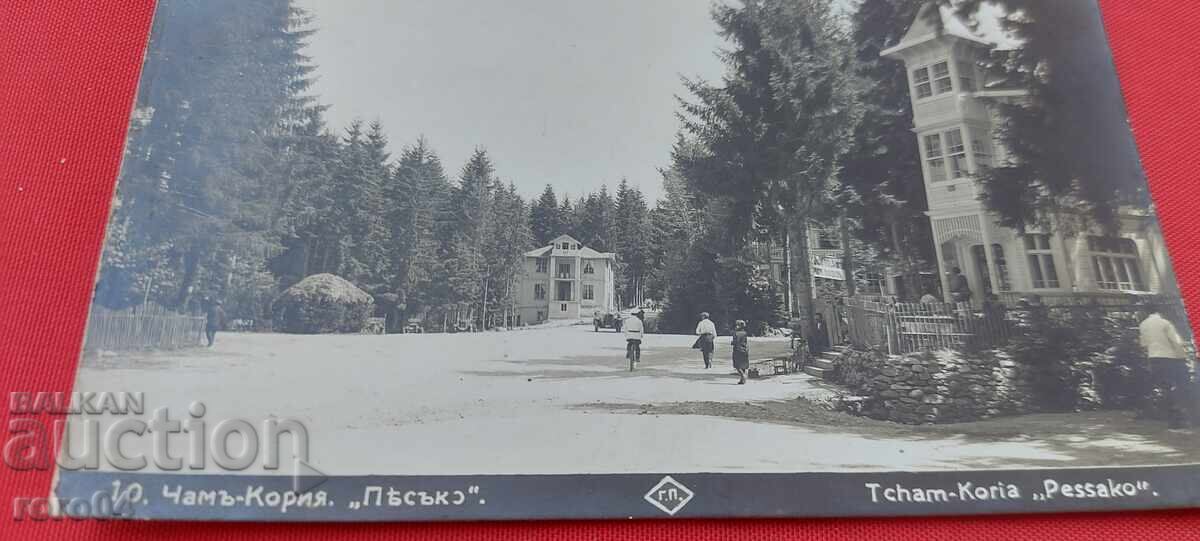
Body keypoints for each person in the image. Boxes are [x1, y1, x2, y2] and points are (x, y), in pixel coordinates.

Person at [1138, 310, 1192, 430]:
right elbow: (1176, 341)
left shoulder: (1143, 324)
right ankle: (1180, 418)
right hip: (1171, 358)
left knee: (1165, 388)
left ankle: (1171, 418)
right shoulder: (1165, 322)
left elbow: (1144, 344)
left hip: (1154, 358)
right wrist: (1183, 356)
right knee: (1179, 386)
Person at [731, 320, 750, 385]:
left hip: (737, 349)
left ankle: (743, 376)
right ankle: (742, 380)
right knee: (743, 364)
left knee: (737, 365)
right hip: (744, 349)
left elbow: (735, 342)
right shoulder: (745, 333)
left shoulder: (735, 333)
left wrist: (732, 342)